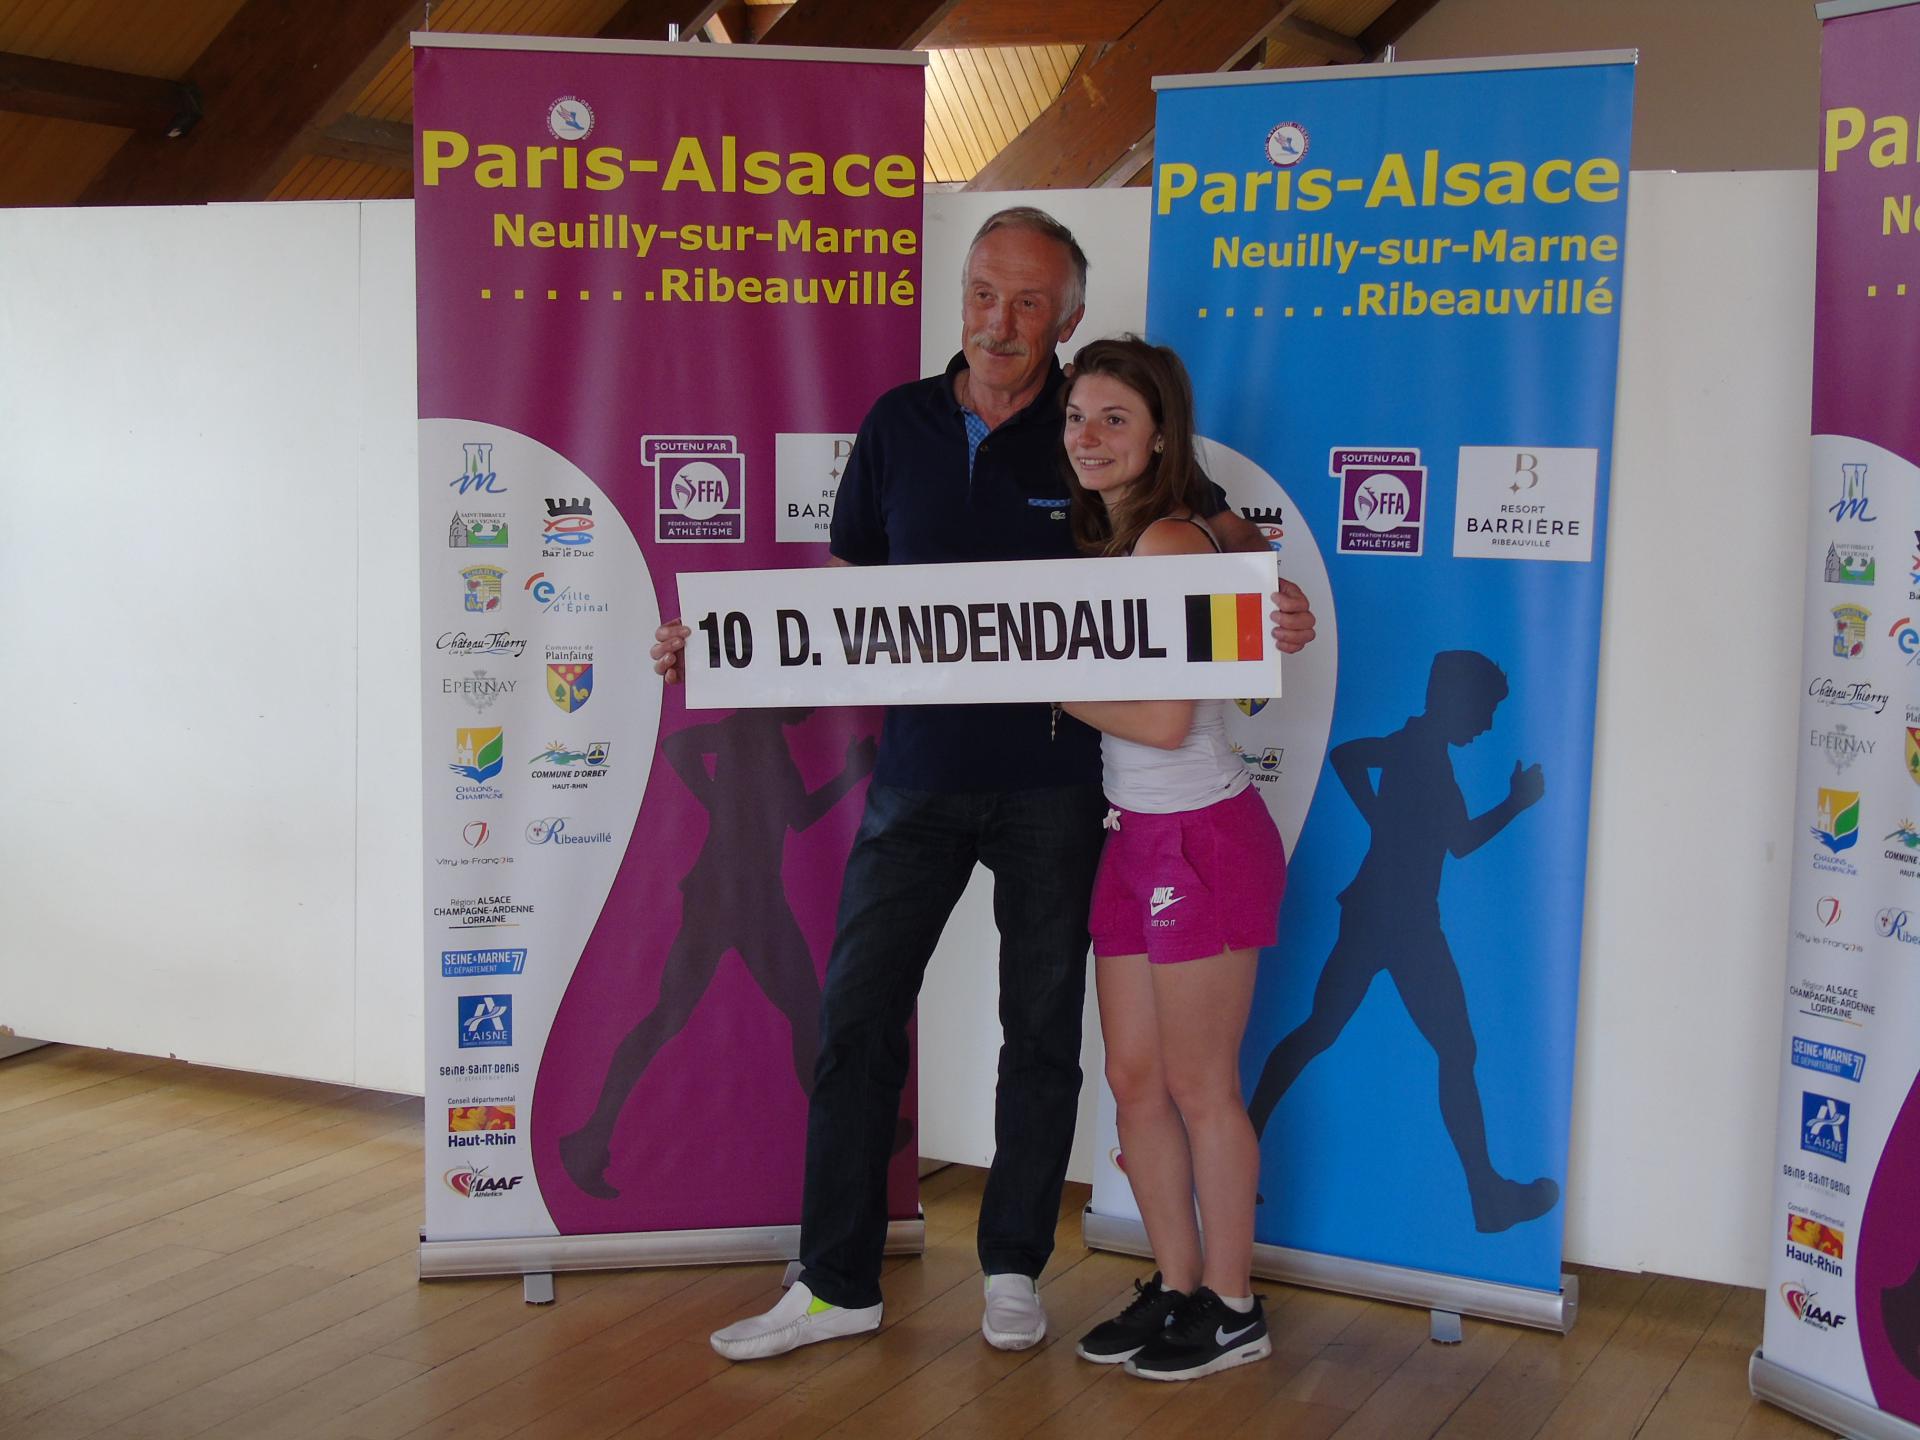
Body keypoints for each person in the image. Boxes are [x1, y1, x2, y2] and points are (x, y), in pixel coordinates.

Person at [654, 208, 1317, 1361]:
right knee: (858, 1015)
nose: (998, 321)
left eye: (1027, 302)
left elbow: (1210, 526)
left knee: (1042, 1034)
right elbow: (845, 601)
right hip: (916, 775)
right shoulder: (898, 423)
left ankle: (1014, 1271)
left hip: (1058, 789)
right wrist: (718, 649)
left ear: (1066, 317)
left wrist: (1272, 600)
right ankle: (835, 1282)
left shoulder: (1090, 425)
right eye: (981, 293)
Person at [1054, 338, 1286, 1381]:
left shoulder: (1167, 543)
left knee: (1199, 1085)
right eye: (1077, 418)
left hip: (1201, 838)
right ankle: (1181, 1287)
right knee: (1135, 1080)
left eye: (1115, 419)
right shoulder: (1126, 537)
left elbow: (1162, 718)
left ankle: (1233, 1307)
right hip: (1131, 835)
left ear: (1158, 436)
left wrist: (1036, 678)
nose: (1089, 438)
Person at [1244, 650, 1557, 1234]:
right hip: (1401, 919)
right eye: (1485, 710)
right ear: (1455, 700)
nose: (1487, 723)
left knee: (1326, 1031)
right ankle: (1487, 1197)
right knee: (1445, 1048)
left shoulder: (1420, 747)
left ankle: (1242, 1154)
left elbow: (1353, 761)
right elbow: (1456, 838)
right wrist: (1515, 804)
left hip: (1386, 912)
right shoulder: (1420, 751)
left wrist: (1379, 818)